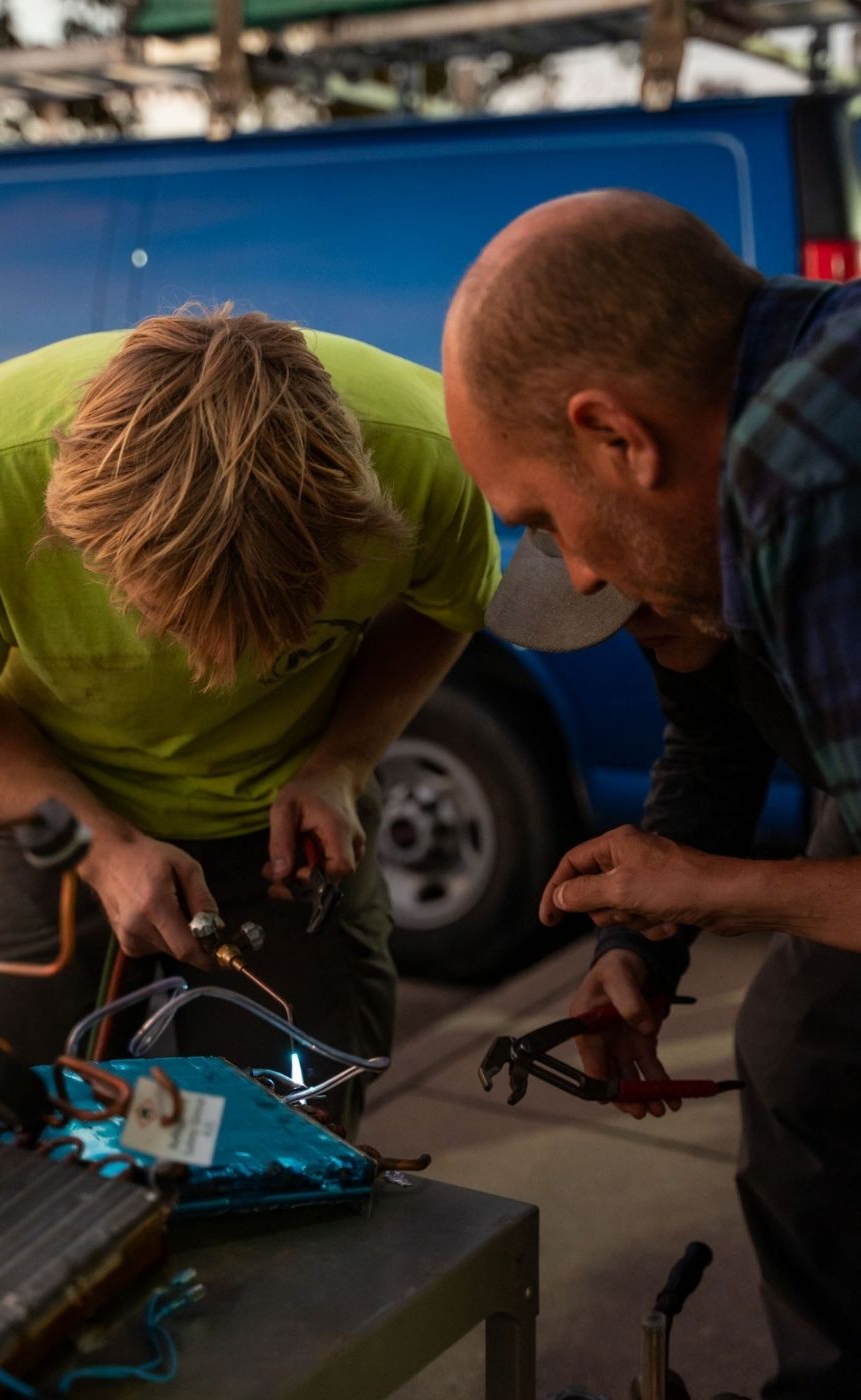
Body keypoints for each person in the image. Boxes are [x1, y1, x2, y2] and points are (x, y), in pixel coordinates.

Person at [0, 307, 499, 1133]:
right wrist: (101, 846)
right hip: (46, 818)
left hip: (286, 834)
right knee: (19, 1119)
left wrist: (340, 762)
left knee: (280, 1130)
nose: (227, 682)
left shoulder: (427, 456)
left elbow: (447, 609)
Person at [442, 189, 861, 1396]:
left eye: (546, 518)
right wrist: (645, 938)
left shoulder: (807, 480)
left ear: (619, 437)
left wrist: (718, 888)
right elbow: (716, 736)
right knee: (807, 1044)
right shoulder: (776, 373)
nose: (575, 571)